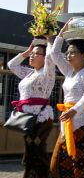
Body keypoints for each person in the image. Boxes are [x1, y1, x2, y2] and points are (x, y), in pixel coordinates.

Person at [49, 20, 84, 177]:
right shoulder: (69, 71)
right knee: (57, 164)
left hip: (82, 123)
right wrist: (62, 33)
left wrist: (74, 110)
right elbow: (54, 54)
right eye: (68, 52)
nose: (68, 56)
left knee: (79, 165)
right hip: (67, 122)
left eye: (73, 52)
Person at [7, 38, 55, 177]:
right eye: (32, 53)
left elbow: (51, 58)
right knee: (30, 149)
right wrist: (27, 52)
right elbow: (11, 64)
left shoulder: (47, 73)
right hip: (27, 118)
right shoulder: (29, 73)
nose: (32, 56)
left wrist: (49, 41)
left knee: (36, 149)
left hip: (41, 117)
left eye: (36, 53)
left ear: (45, 57)